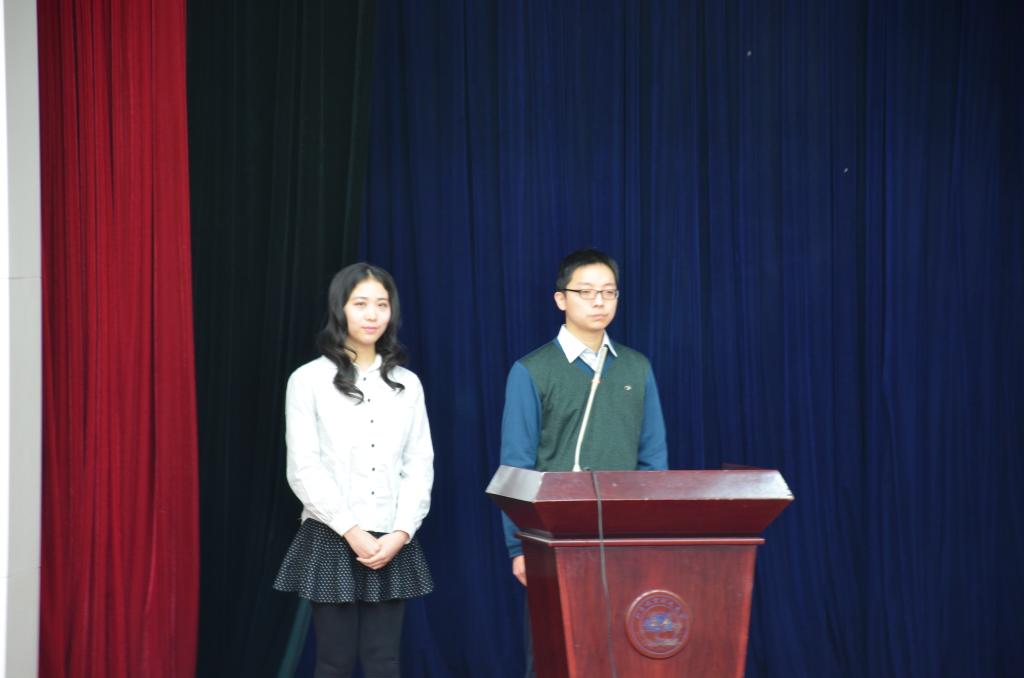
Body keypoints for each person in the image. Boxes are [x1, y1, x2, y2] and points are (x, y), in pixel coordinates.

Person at [499, 248, 669, 676]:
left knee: (622, 655)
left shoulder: (636, 367)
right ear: (561, 299)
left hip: (623, 541)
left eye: (608, 292)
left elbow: (653, 462)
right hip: (552, 538)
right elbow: (515, 469)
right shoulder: (531, 371)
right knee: (554, 655)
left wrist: (648, 535)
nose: (599, 301)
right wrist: (519, 548)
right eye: (587, 292)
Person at [274, 263, 434, 678]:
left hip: (392, 536)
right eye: (360, 303)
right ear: (340, 309)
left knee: (385, 660)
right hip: (333, 534)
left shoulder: (408, 384)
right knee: (334, 661)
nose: (372, 314)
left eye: (382, 304)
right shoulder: (308, 380)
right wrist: (351, 530)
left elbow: (419, 464)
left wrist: (401, 532)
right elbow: (303, 467)